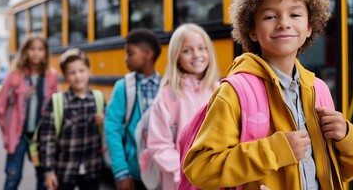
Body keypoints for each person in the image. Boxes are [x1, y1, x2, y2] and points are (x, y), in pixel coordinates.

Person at [183, 0, 353, 189]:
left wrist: (346, 136)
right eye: (270, 17)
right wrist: (274, 151)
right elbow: (200, 167)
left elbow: (345, 171)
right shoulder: (235, 91)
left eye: (295, 14)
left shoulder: (318, 89)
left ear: (309, 26)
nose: (284, 24)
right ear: (252, 30)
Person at [147, 23, 220, 190]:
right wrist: (186, 173)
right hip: (180, 182)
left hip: (214, 180)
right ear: (176, 57)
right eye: (187, 51)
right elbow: (159, 146)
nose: (197, 55)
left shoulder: (219, 90)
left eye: (202, 48)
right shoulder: (168, 96)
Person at [0, 34, 58, 190]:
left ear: (46, 52)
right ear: (25, 51)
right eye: (32, 49)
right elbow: (0, 101)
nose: (36, 53)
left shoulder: (51, 75)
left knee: (43, 176)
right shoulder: (15, 75)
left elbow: (56, 104)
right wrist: (18, 93)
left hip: (41, 136)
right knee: (13, 175)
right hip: (19, 134)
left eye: (40, 49)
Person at [39, 48, 105, 190]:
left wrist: (105, 122)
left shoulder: (98, 98)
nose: (78, 76)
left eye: (81, 71)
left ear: (89, 70)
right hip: (65, 169)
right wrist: (49, 172)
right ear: (65, 75)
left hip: (92, 168)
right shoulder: (57, 101)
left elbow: (111, 131)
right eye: (72, 72)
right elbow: (47, 141)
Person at [105, 29, 162, 190]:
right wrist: (121, 171)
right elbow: (112, 129)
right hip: (133, 171)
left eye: (130, 54)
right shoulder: (123, 87)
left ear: (148, 54)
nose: (125, 59)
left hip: (161, 171)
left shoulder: (166, 86)